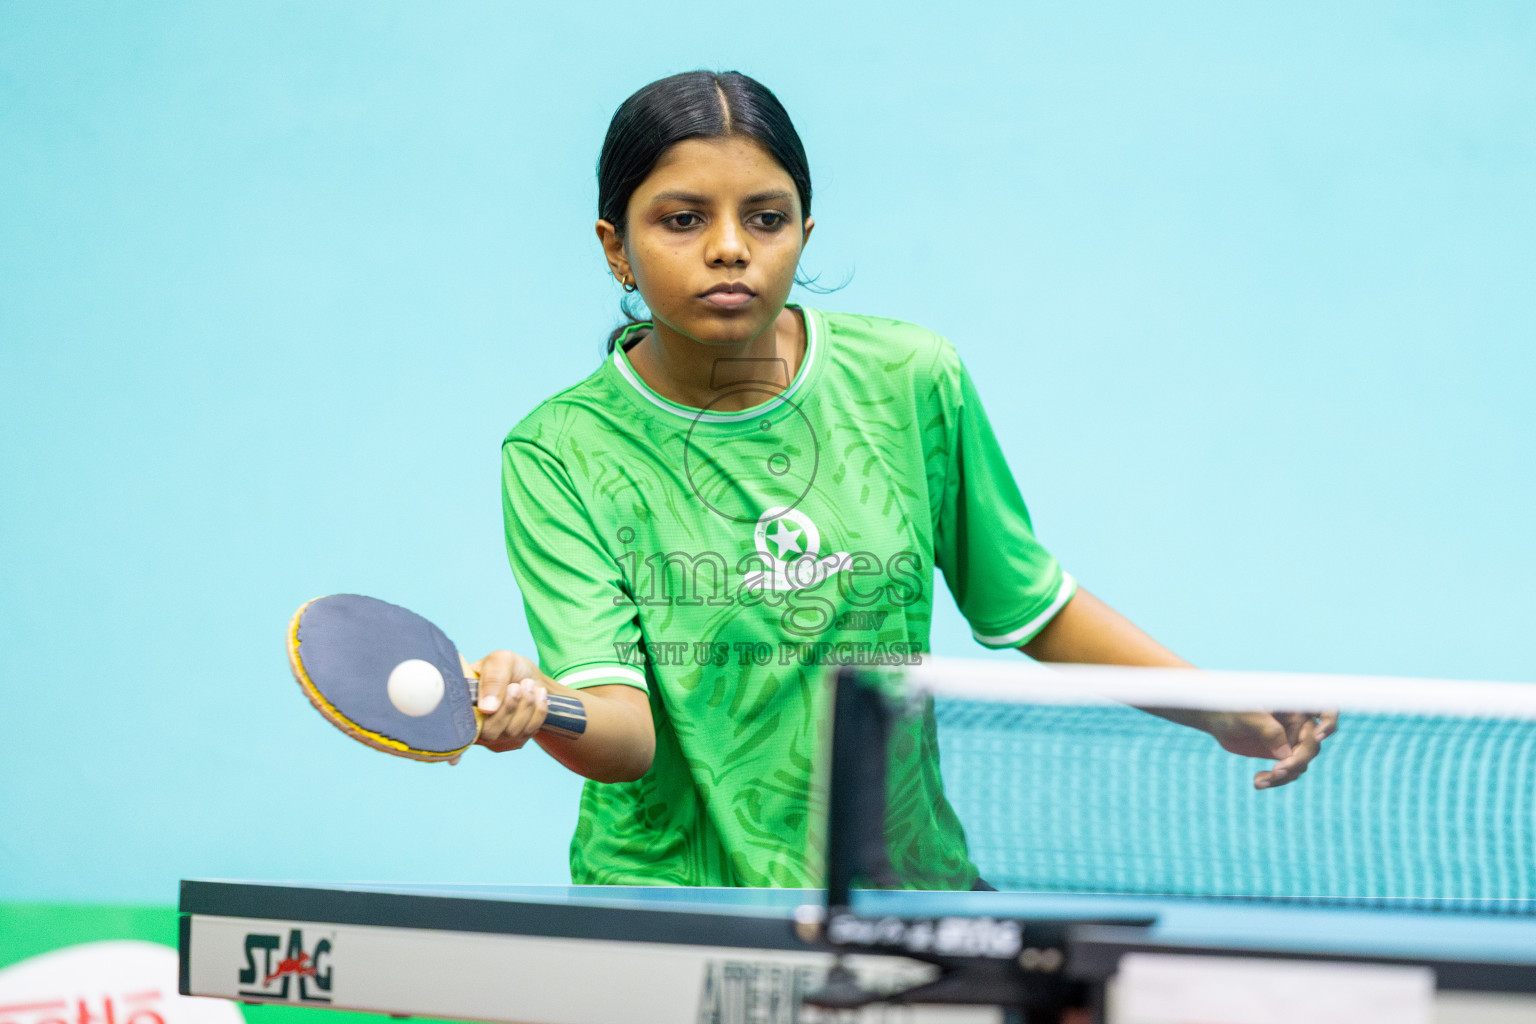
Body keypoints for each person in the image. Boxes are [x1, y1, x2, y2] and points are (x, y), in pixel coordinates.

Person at [468, 70, 1333, 888]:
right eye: (683, 219)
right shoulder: (560, 452)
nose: (730, 248)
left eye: (765, 219)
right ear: (617, 247)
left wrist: (1220, 710)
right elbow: (624, 735)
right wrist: (543, 707)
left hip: (898, 885)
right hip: (673, 902)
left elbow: (1029, 604)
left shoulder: (910, 379)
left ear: (804, 234)